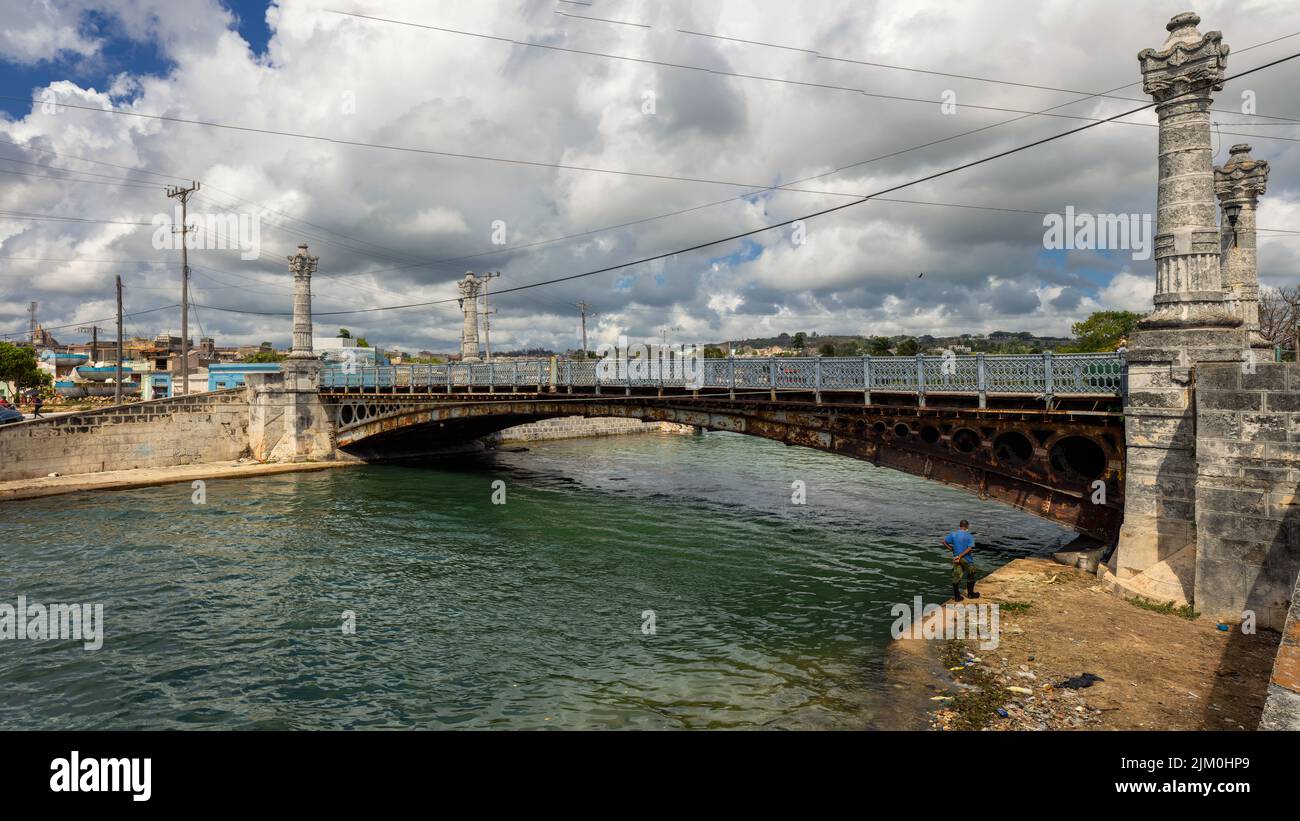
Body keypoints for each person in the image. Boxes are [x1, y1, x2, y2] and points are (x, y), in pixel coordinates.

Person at [941, 519, 980, 601]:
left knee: (956, 577)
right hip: (966, 559)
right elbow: (969, 548)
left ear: (960, 526)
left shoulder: (953, 534)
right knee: (971, 574)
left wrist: (952, 549)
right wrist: (961, 555)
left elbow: (944, 542)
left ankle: (957, 597)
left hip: (956, 559)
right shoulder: (969, 536)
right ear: (967, 526)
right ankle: (970, 594)